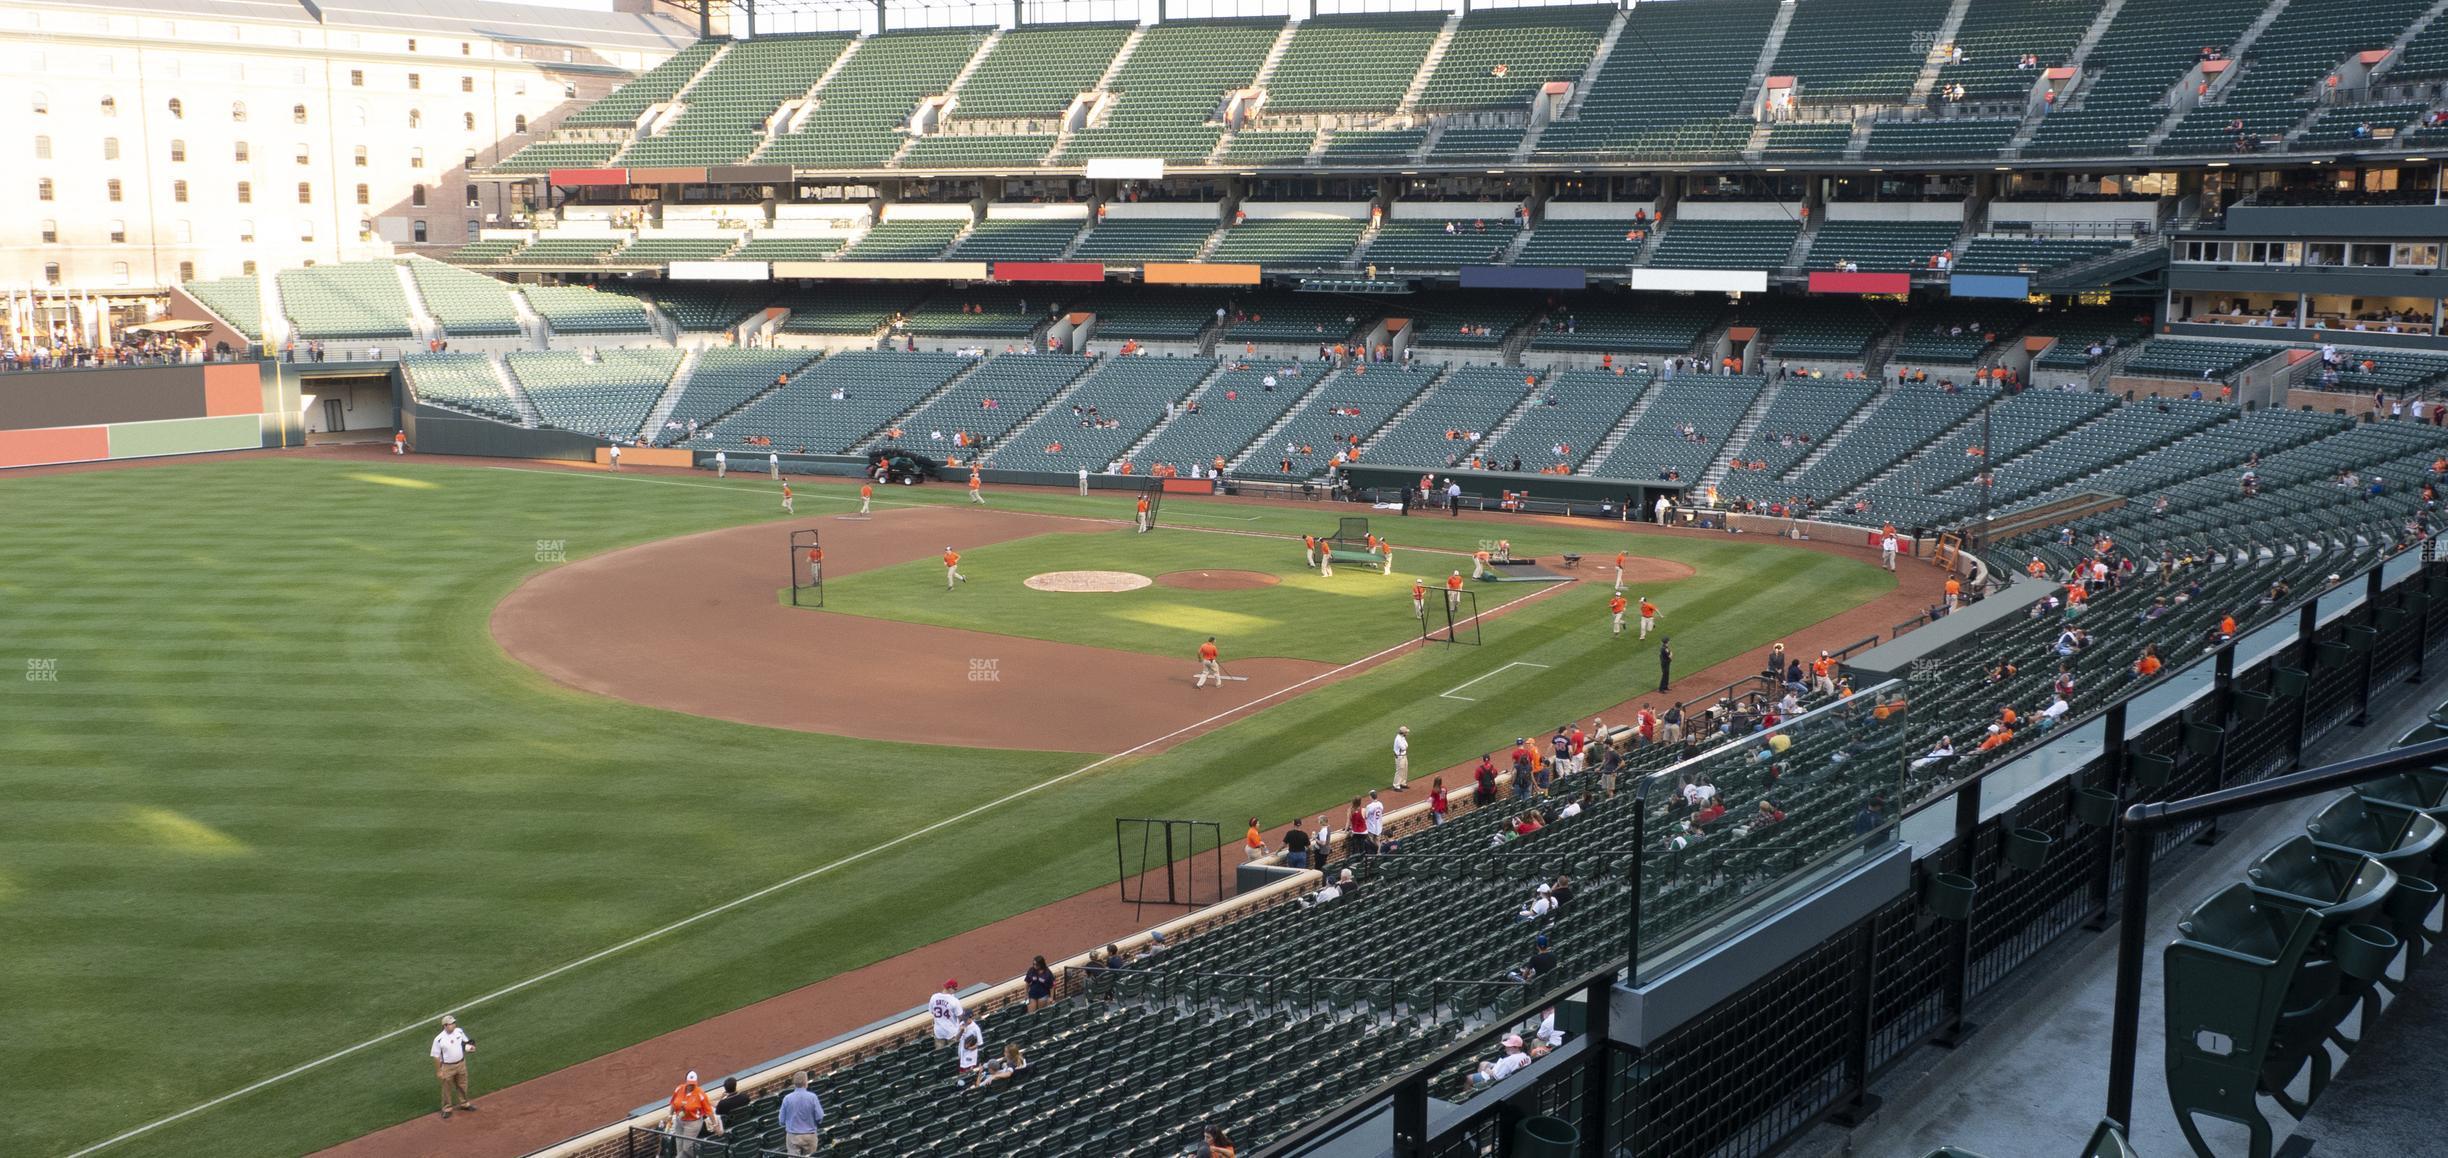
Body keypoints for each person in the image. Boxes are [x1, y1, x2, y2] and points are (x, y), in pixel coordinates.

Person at [431, 1014, 478, 1119]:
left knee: (462, 1085)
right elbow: (436, 1056)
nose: (454, 1025)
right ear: (445, 1026)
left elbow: (464, 1043)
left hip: (461, 1063)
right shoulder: (438, 1039)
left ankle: (464, 1103)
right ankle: (447, 1108)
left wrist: (470, 1048)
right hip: (447, 1067)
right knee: (447, 1088)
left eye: (454, 1023)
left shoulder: (459, 1031)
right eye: (451, 1023)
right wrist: (439, 1071)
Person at [669, 1071, 719, 1157]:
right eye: (689, 1083)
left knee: (687, 1148)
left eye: (693, 1084)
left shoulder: (700, 1093)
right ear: (686, 1081)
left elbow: (709, 1110)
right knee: (679, 1146)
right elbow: (673, 1103)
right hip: (680, 1120)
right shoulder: (679, 1089)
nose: (691, 1085)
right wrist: (670, 1115)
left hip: (693, 1123)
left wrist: (715, 1125)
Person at [778, 1072, 825, 1153]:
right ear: (805, 1082)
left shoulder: (787, 1098)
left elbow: (781, 1120)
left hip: (793, 1136)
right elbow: (820, 1117)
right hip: (809, 1136)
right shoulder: (812, 1097)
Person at [929, 980, 966, 1048]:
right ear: (950, 988)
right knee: (954, 1055)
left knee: (941, 1055)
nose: (955, 991)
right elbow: (960, 1016)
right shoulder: (954, 1001)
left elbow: (932, 1012)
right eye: (955, 989)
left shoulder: (933, 997)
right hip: (951, 1033)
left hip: (939, 1032)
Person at [955, 1009, 985, 1077]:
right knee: (962, 1074)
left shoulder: (976, 1028)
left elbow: (980, 1043)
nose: (965, 1019)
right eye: (964, 1018)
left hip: (970, 1056)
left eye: (966, 1018)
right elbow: (956, 1038)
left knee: (968, 1075)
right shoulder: (961, 1024)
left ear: (971, 1017)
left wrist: (970, 1047)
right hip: (962, 1054)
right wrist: (961, 1031)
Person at [1392, 725, 1411, 790]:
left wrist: (1405, 747)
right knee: (1399, 771)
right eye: (1406, 732)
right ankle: (1396, 785)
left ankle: (1403, 783)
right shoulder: (1398, 739)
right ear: (1403, 733)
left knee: (1405, 769)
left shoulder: (1402, 737)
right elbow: (1403, 747)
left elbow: (1406, 745)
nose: (1407, 733)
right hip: (1399, 757)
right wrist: (1405, 747)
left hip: (1404, 755)